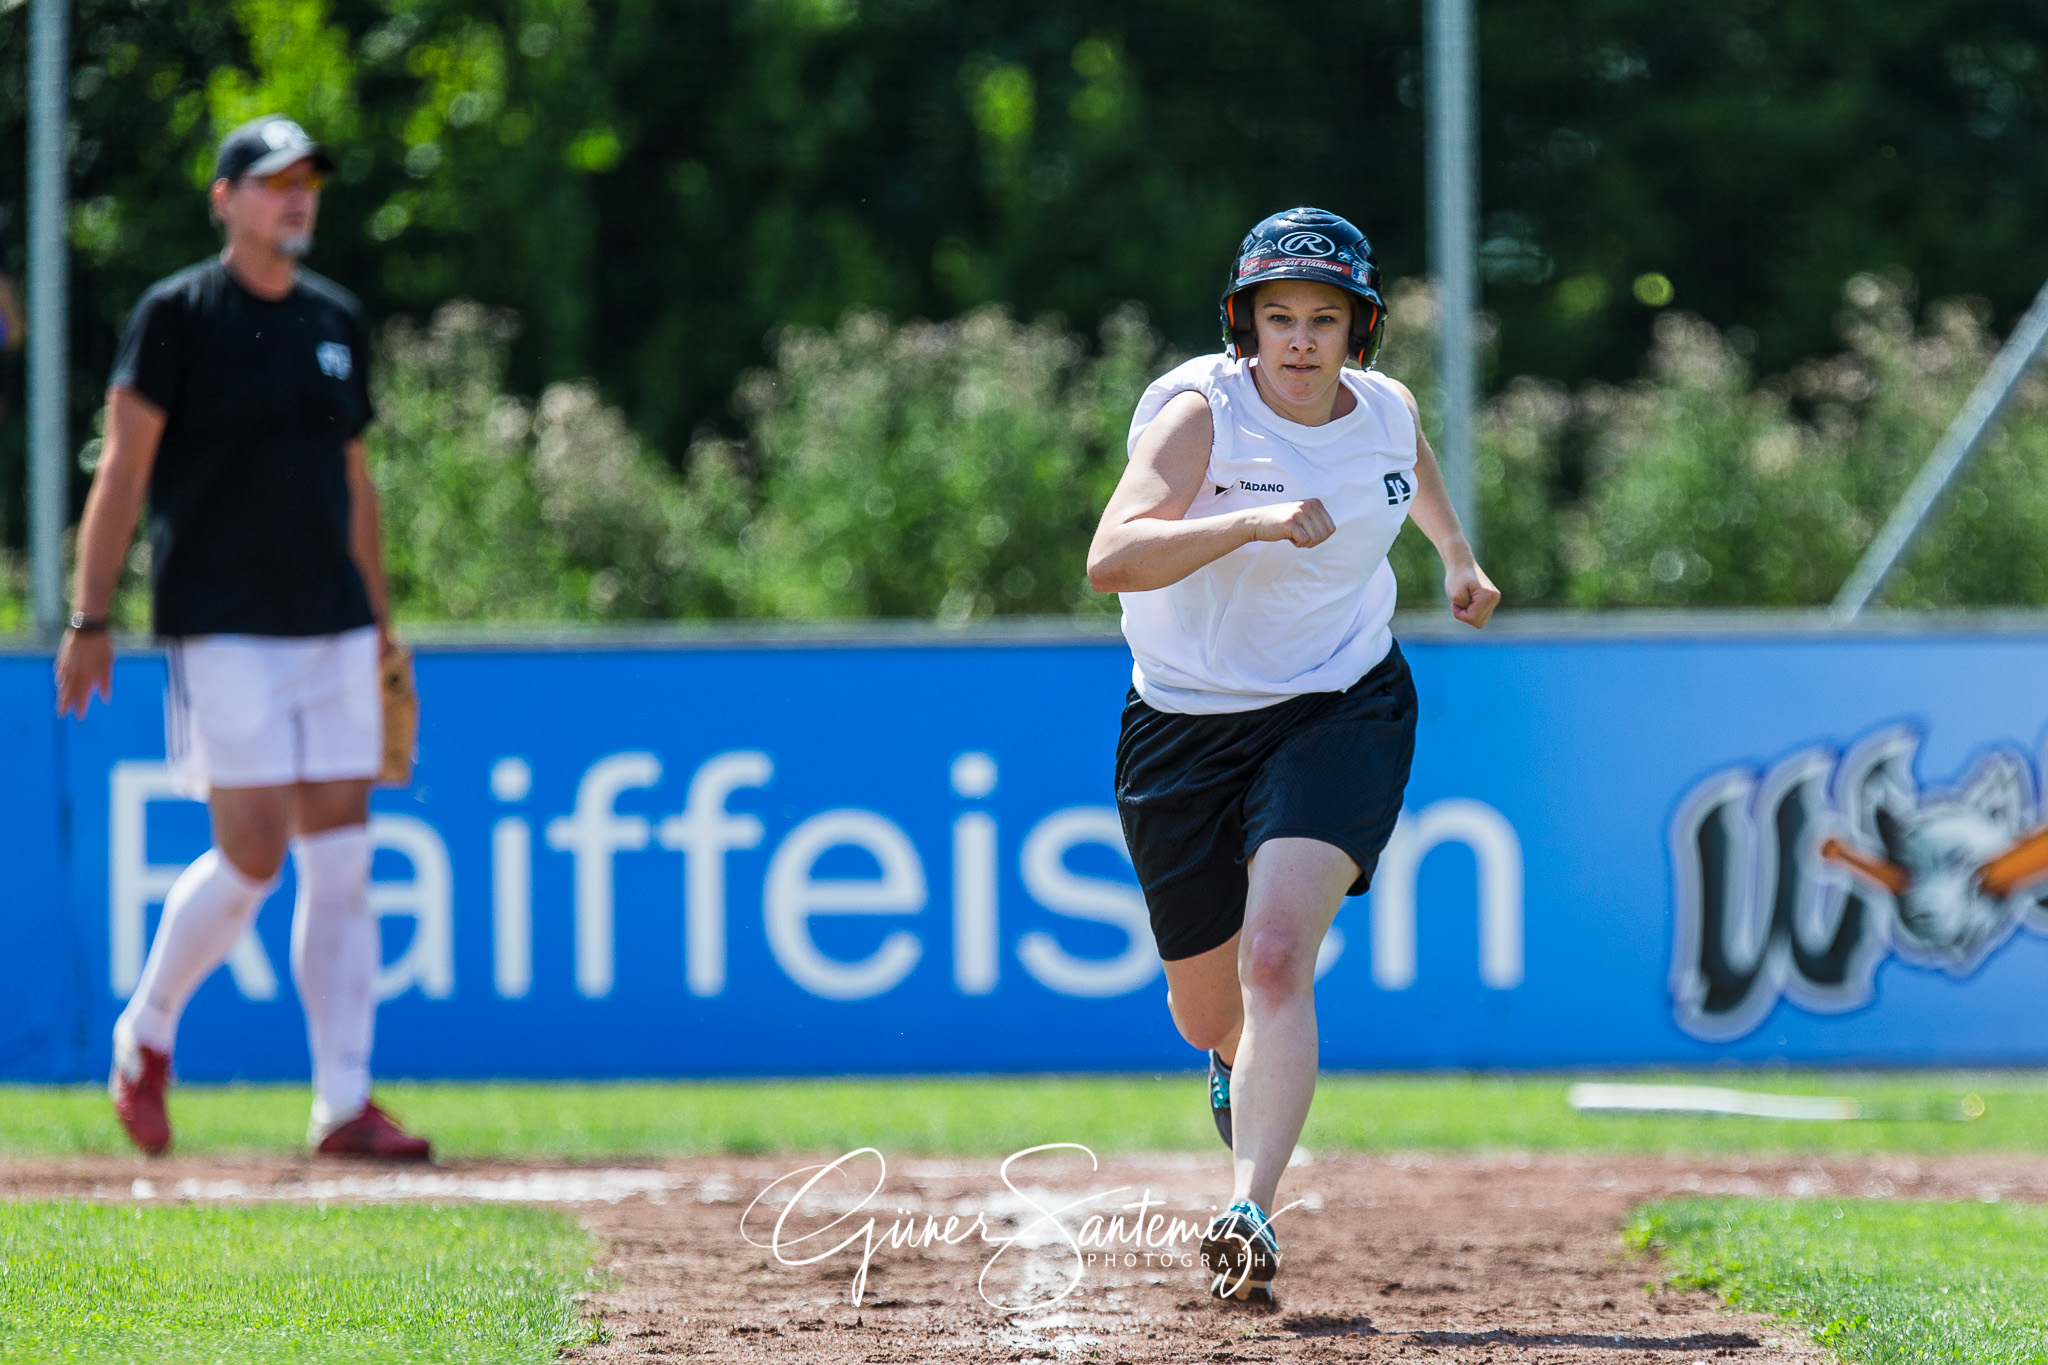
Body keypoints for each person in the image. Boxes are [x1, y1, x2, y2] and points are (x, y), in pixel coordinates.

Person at [1087, 207, 1499, 1302]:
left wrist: (1456, 556)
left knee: (1275, 956)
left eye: (1324, 318)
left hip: (1341, 701)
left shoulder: (1385, 407)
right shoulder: (1198, 414)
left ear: (1358, 328)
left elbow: (1406, 458)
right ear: (1245, 324)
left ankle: (1249, 1208)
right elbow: (1111, 557)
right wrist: (1251, 521)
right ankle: (1228, 1063)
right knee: (1206, 1012)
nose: (1302, 341)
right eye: (1280, 317)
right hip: (1183, 721)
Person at [55, 115, 430, 1161]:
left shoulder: (334, 317)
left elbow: (355, 483)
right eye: (273, 180)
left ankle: (343, 1103)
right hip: (222, 623)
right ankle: (146, 1030)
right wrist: (90, 617)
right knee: (254, 855)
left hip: (332, 622)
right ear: (224, 199)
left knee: (343, 859)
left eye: (307, 178)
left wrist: (381, 629)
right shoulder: (178, 314)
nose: (296, 194)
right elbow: (123, 470)